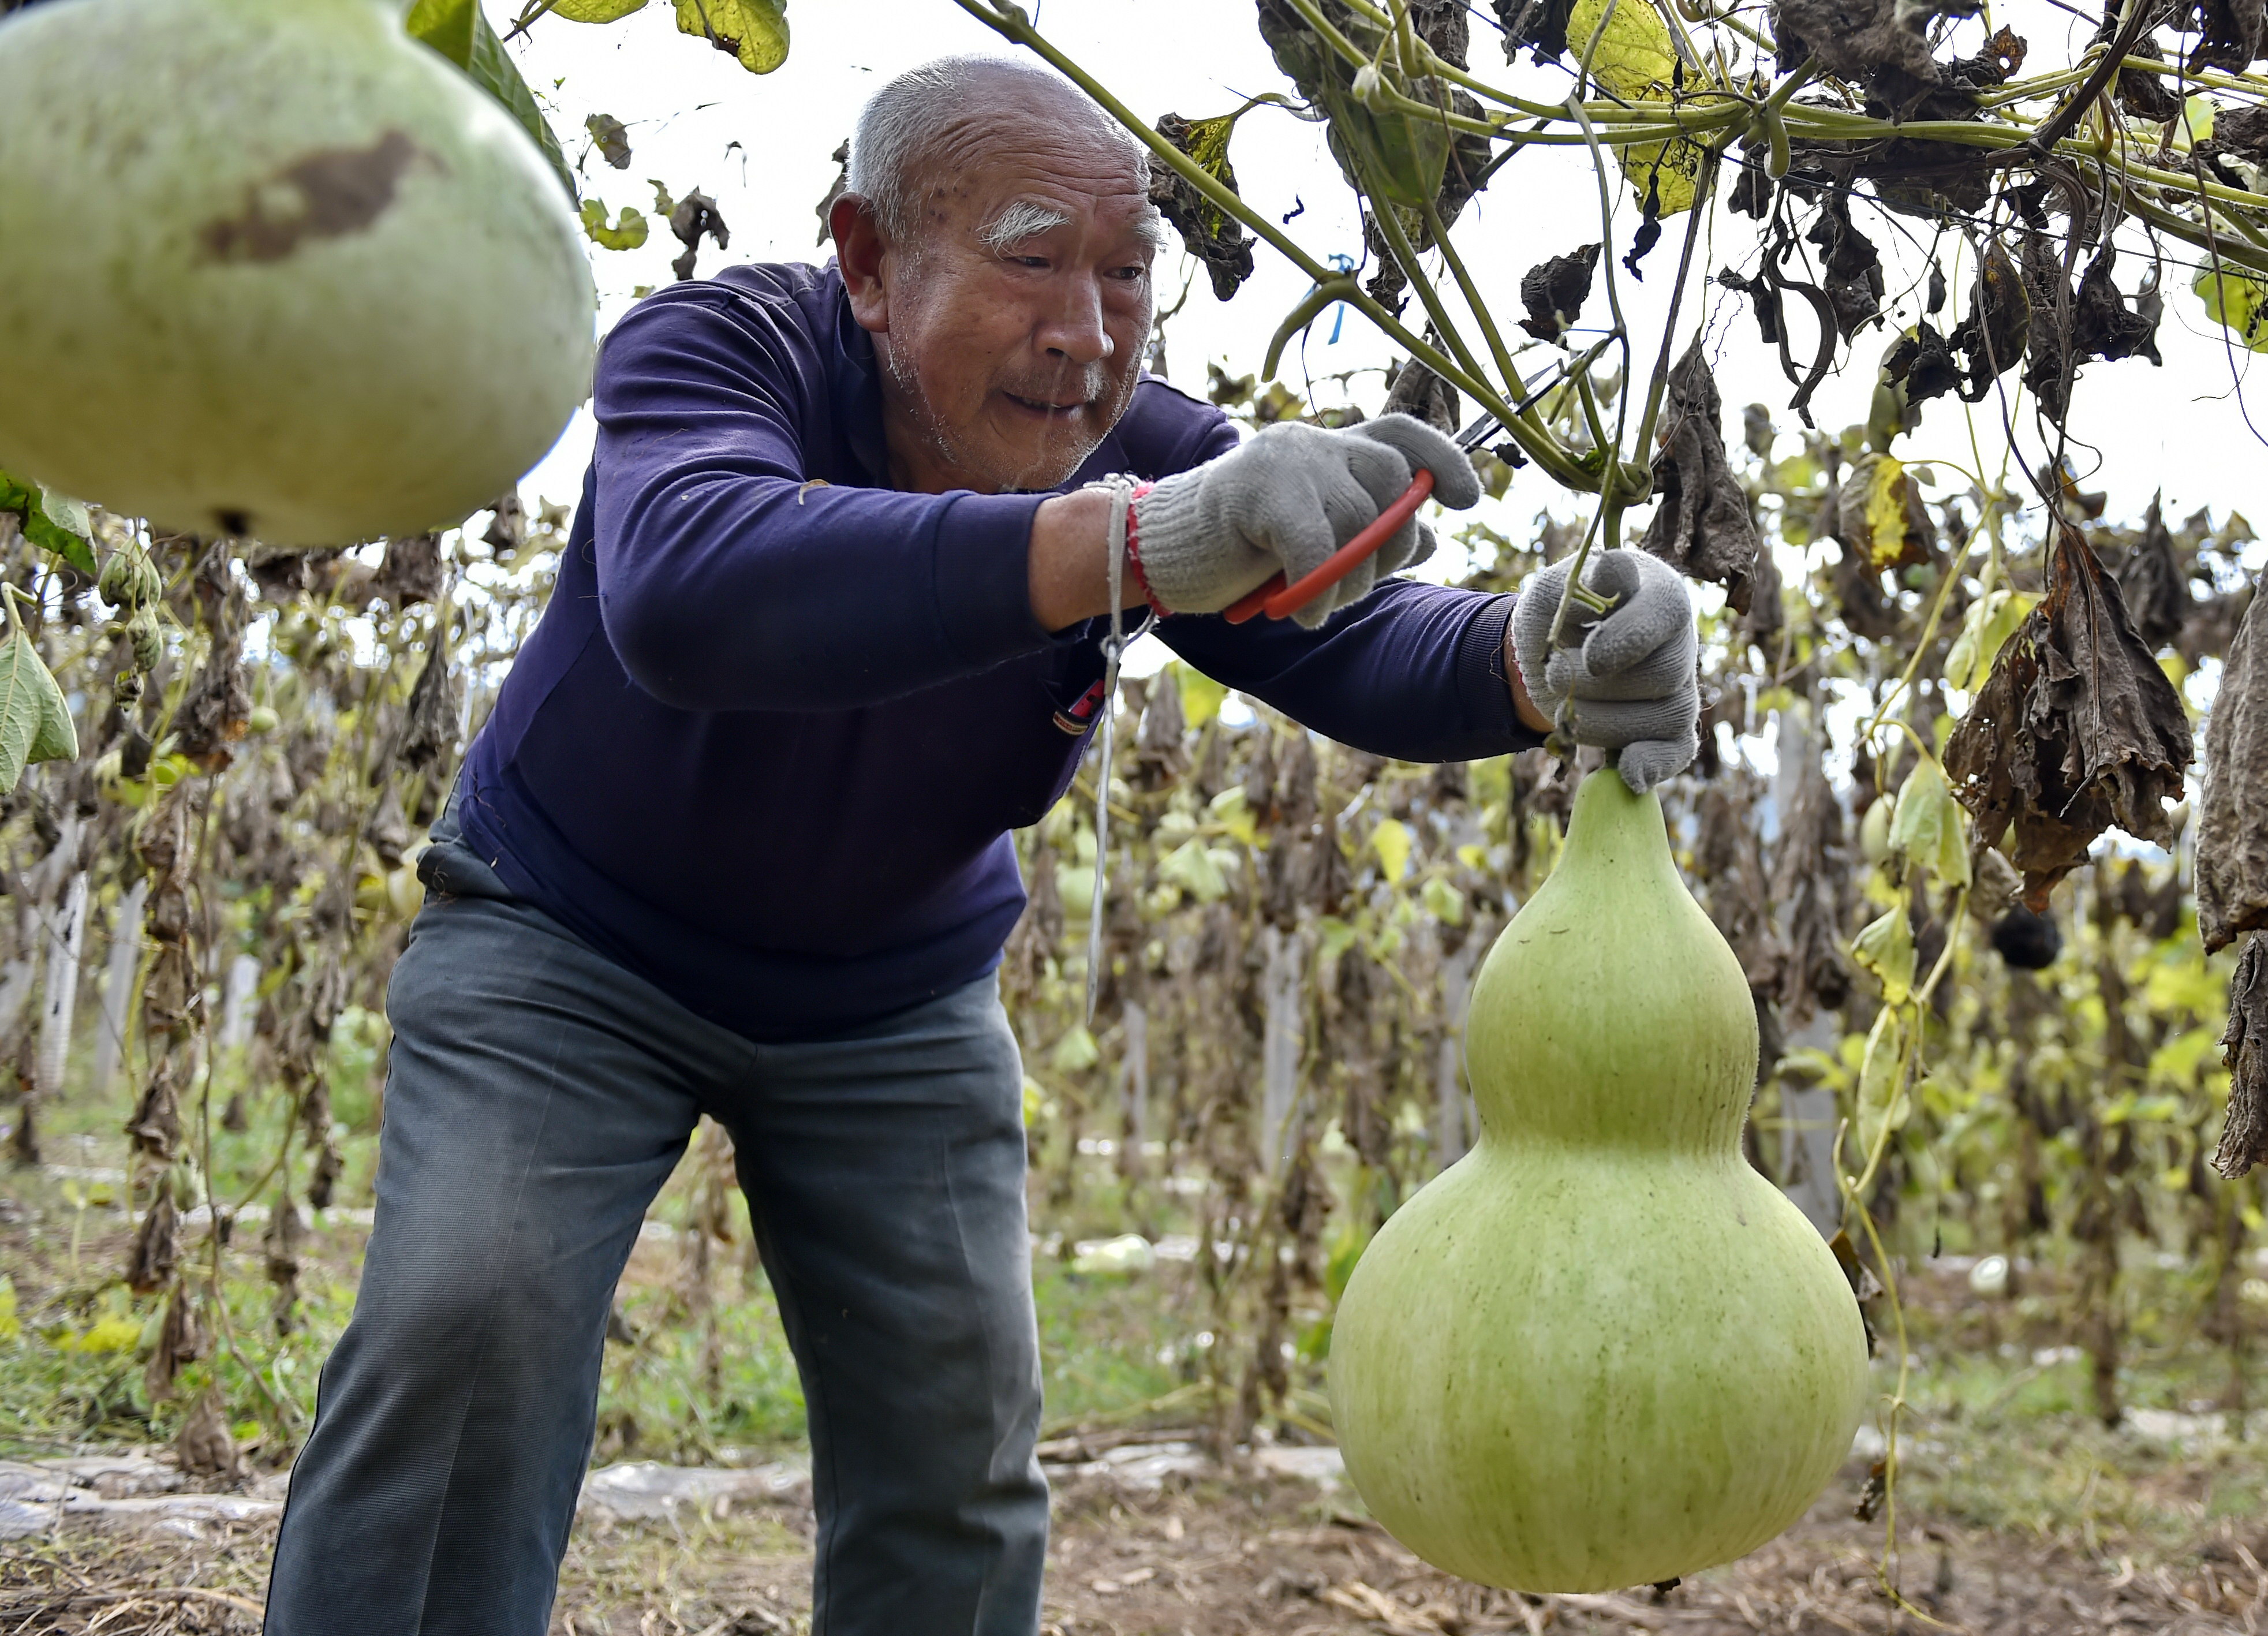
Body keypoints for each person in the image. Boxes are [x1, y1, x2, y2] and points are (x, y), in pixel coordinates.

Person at [262, 53, 1698, 1636]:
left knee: (955, 1442)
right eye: (1032, 262)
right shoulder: (717, 349)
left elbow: (1345, 642)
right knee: (468, 1326)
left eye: (1126, 279)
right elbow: (688, 585)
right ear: (870, 263)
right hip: (568, 945)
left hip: (892, 996)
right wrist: (1134, 544)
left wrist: (1528, 658)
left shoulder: (1130, 444)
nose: (1084, 337)